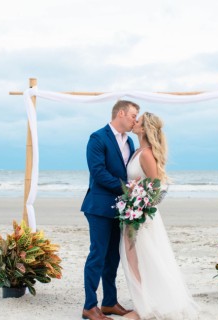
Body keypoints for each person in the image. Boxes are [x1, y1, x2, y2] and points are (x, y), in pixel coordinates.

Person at [120, 112, 199, 320]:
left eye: (138, 121)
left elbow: (156, 186)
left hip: (141, 216)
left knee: (142, 259)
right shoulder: (138, 151)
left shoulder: (146, 154)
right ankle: (143, 302)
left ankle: (143, 309)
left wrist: (138, 201)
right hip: (133, 211)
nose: (134, 122)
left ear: (144, 128)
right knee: (134, 259)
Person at [81, 100, 140, 320]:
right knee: (97, 255)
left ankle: (109, 302)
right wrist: (126, 188)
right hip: (98, 207)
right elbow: (98, 172)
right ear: (121, 113)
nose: (135, 120)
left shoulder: (130, 141)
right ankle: (89, 306)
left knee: (113, 256)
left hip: (120, 208)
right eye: (134, 115)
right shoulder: (97, 138)